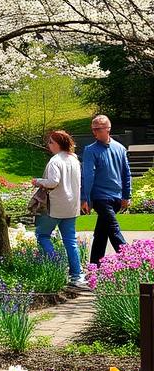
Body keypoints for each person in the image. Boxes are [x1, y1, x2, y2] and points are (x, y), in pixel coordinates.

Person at [31, 130, 85, 289]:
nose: (48, 145)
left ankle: (58, 266)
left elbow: (53, 182)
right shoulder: (74, 160)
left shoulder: (55, 161)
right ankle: (77, 275)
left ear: (57, 144)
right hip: (71, 207)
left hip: (55, 206)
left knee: (42, 235)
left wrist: (38, 181)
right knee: (70, 240)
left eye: (50, 142)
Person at [81, 114, 131, 264]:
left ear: (107, 129)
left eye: (97, 129)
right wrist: (86, 198)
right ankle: (94, 268)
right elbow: (87, 175)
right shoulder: (91, 149)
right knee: (109, 230)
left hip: (113, 198)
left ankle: (133, 262)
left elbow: (126, 174)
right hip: (101, 198)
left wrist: (126, 196)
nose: (94, 132)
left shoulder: (119, 149)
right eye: (93, 129)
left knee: (106, 233)